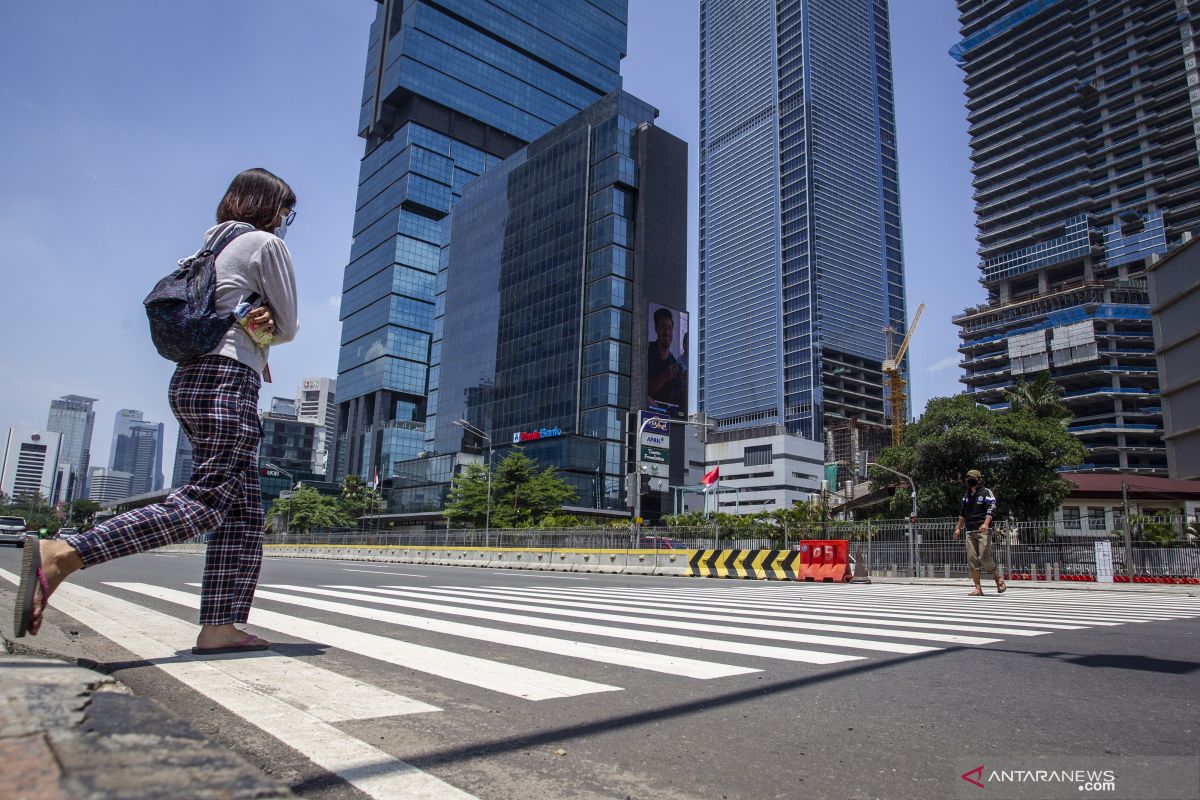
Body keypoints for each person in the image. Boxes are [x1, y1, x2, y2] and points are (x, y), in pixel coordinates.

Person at [13, 168, 299, 654]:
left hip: (191, 378)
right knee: (209, 501)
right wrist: (269, 326)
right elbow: (289, 324)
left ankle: (220, 626)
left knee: (243, 513)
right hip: (227, 380)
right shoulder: (264, 245)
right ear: (269, 206)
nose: (288, 221)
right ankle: (64, 553)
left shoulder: (203, 250)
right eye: (287, 211)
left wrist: (255, 329)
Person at [953, 468, 1007, 596]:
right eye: (968, 478)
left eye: (972, 478)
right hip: (969, 531)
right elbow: (962, 513)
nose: (969, 480)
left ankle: (998, 579)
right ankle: (978, 588)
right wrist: (958, 528)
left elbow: (991, 509)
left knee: (985, 557)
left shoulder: (986, 493)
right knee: (972, 560)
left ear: (978, 479)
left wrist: (986, 523)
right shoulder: (966, 495)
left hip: (983, 530)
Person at [647, 307, 685, 412]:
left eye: (670, 328)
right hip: (646, 414)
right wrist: (665, 377)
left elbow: (680, 402)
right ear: (656, 329)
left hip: (667, 418)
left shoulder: (675, 364)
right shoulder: (646, 352)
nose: (667, 332)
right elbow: (642, 391)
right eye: (663, 327)